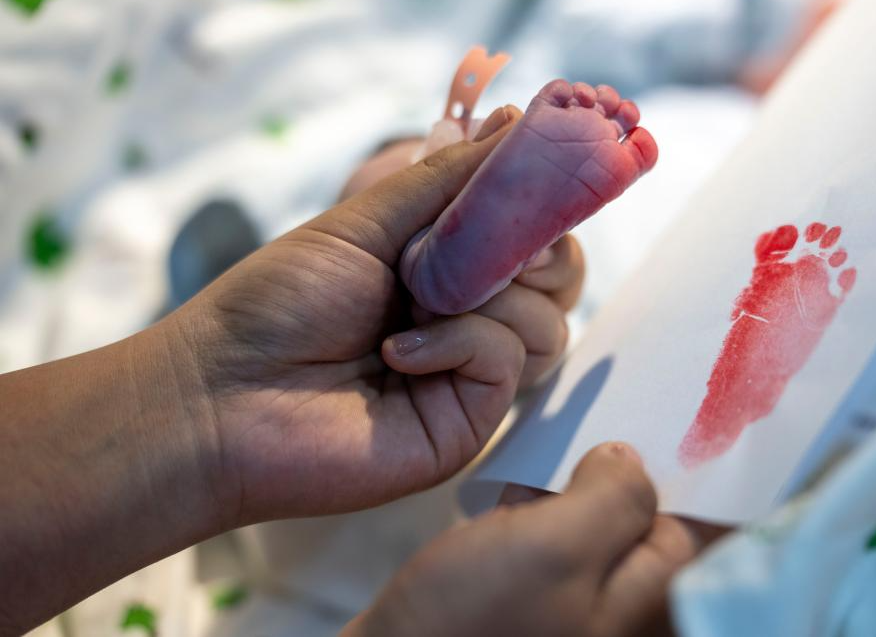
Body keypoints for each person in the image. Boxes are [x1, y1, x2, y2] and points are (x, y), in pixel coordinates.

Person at [0, 106, 697, 637]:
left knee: (507, 335)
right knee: (515, 342)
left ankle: (418, 223)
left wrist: (207, 388)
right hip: (421, 479)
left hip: (367, 454)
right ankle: (432, 222)